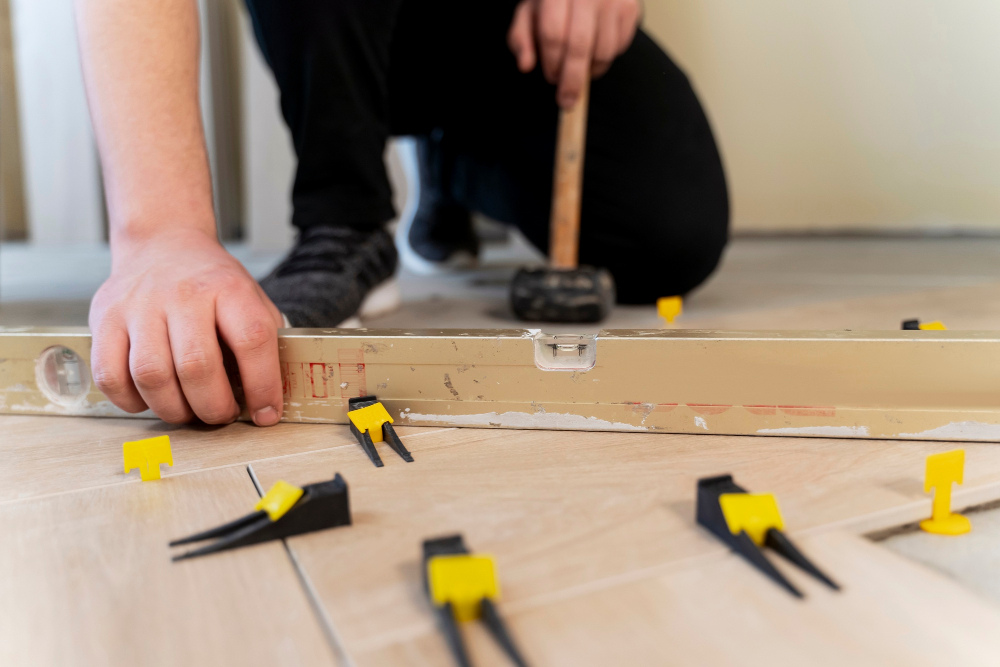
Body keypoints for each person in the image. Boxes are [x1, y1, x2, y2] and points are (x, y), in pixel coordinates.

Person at [75, 0, 728, 427]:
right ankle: (344, 216)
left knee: (670, 234)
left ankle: (450, 166)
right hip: (336, 26)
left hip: (509, 27)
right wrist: (161, 231)